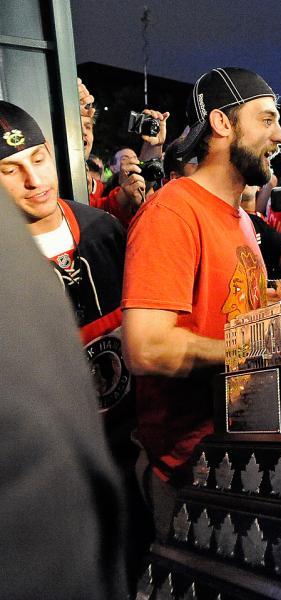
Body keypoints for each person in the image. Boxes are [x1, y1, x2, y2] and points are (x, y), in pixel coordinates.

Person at [122, 67, 281, 541]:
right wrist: (265, 347)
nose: (280, 133)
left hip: (238, 457)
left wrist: (267, 311)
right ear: (222, 123)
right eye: (267, 119)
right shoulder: (172, 212)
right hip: (187, 471)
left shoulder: (242, 222)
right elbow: (146, 348)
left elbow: (224, 316)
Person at [0, 100, 149, 589]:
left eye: (39, 158)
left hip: (137, 451)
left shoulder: (104, 229)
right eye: (10, 169)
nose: (33, 179)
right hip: (63, 479)